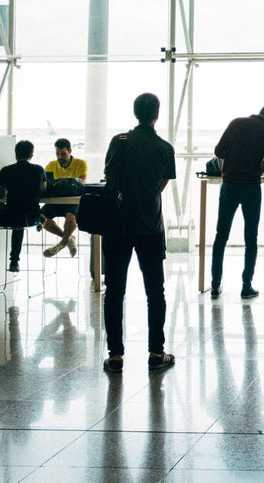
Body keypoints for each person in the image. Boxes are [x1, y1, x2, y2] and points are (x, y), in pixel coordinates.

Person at [101, 93, 177, 373]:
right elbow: (160, 186)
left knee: (115, 291)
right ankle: (157, 352)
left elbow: (110, 178)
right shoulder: (165, 148)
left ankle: (116, 355)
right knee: (155, 291)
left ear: (135, 113)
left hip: (118, 226)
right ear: (157, 114)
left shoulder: (119, 142)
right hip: (150, 226)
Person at [210, 103, 264, 300]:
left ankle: (215, 285)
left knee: (220, 236)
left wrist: (232, 159)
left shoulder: (236, 123)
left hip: (229, 185)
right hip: (251, 187)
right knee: (251, 238)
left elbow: (218, 151)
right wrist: (260, 168)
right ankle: (246, 286)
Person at [0, 141, 46, 273]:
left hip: (10, 215)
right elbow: (43, 190)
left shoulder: (5, 170)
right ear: (31, 155)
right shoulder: (38, 169)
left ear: (15, 154)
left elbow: (0, 195)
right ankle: (40, 219)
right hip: (31, 216)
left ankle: (14, 261)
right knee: (20, 219)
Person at [40, 137, 87, 258]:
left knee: (71, 219)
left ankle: (61, 244)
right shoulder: (51, 165)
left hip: (72, 201)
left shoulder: (81, 163)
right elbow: (47, 185)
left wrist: (58, 185)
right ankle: (68, 238)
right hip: (56, 201)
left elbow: (81, 183)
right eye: (57, 154)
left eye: (63, 154)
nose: (59, 157)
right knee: (40, 217)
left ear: (70, 150)